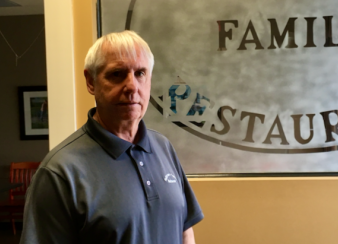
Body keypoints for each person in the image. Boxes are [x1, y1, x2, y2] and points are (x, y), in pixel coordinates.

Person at [20, 30, 204, 244]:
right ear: (91, 82)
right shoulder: (60, 171)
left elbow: (185, 230)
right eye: (117, 74)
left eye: (140, 73)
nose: (132, 86)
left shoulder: (163, 147)